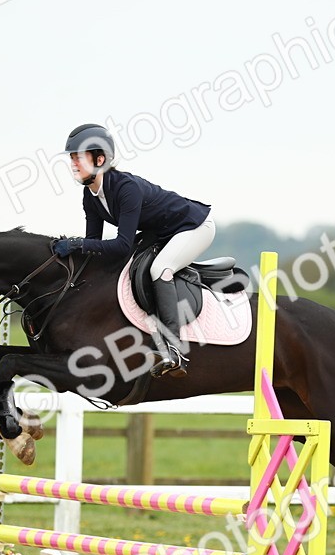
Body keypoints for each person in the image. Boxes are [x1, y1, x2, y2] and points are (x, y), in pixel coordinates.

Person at [51, 123, 215, 378]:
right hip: (160, 233)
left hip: (194, 227)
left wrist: (77, 244)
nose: (73, 163)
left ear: (100, 158)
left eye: (79, 157)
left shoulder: (126, 188)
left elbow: (121, 245)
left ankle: (172, 349)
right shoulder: (90, 196)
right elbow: (93, 243)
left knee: (161, 269)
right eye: (72, 158)